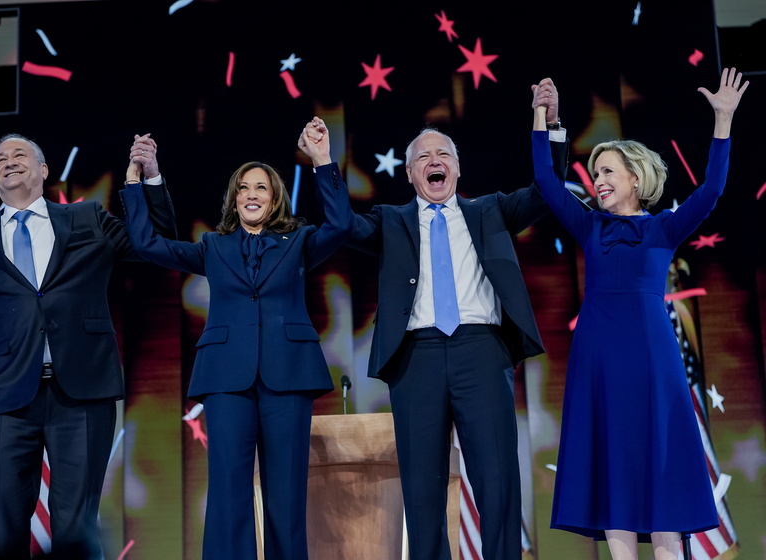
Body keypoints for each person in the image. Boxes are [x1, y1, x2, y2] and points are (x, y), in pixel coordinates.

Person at [299, 79, 567, 560]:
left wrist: (549, 126)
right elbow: (339, 225)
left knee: (497, 482)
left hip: (482, 353)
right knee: (422, 492)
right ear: (409, 174)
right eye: (422, 158)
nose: (434, 161)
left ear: (458, 168)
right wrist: (323, 162)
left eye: (442, 154)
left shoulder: (492, 210)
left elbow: (547, 191)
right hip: (416, 358)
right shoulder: (391, 221)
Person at [531, 68, 748, 560]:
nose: (598, 179)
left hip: (653, 361)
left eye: (608, 171)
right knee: (613, 475)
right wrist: (541, 118)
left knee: (662, 468)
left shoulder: (664, 230)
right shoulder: (589, 227)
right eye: (596, 171)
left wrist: (723, 121)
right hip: (599, 361)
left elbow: (712, 189)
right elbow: (545, 179)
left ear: (636, 177)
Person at [0, 133, 176, 559]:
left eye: (19, 154)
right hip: (9, 399)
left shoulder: (86, 220)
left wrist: (147, 181)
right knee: (1, 524)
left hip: (82, 393)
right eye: (0, 158)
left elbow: (156, 245)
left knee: (75, 527)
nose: (9, 161)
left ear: (43, 170)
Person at [119, 124, 350, 560]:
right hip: (227, 380)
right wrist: (136, 179)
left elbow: (340, 224)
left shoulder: (298, 241)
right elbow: (147, 243)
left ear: (275, 197)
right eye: (243, 187)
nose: (251, 193)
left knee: (287, 497)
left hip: (288, 377)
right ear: (234, 197)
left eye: (261, 187)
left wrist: (322, 160)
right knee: (228, 494)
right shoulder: (213, 246)